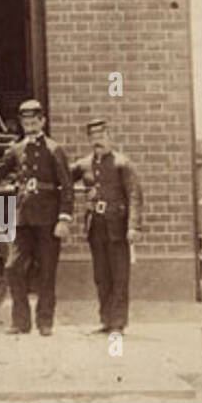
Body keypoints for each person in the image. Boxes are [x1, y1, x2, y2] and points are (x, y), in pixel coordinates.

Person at [0, 99, 72, 336]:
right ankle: (21, 321)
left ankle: (45, 322)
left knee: (47, 271)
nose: (30, 126)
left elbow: (67, 187)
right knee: (12, 268)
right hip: (23, 219)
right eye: (26, 122)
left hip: (49, 220)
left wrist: (64, 218)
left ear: (42, 121)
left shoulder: (54, 149)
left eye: (34, 121)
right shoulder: (16, 149)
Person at [71, 118, 143, 334]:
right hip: (96, 226)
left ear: (110, 136)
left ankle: (118, 323)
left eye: (101, 136)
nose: (97, 141)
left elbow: (135, 196)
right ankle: (105, 320)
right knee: (101, 276)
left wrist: (134, 226)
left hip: (117, 227)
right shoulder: (84, 164)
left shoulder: (122, 164)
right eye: (93, 137)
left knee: (119, 275)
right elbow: (64, 178)